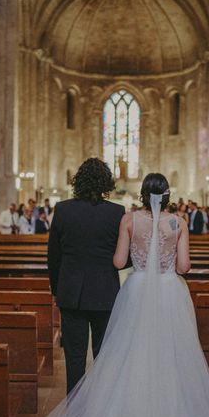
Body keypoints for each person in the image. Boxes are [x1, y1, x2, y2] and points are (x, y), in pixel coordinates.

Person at [11, 173, 209, 417]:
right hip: (169, 294)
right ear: (167, 195)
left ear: (142, 194)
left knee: (129, 353)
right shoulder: (178, 222)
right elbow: (184, 267)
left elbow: (117, 262)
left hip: (137, 290)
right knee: (171, 357)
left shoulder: (128, 220)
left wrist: (140, 260)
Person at [46, 157, 126, 394]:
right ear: (106, 183)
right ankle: (100, 414)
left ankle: (74, 414)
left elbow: (53, 257)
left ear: (78, 181)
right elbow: (124, 258)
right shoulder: (117, 212)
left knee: (74, 357)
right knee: (103, 358)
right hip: (105, 293)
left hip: (72, 294)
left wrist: (56, 290)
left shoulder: (62, 209)